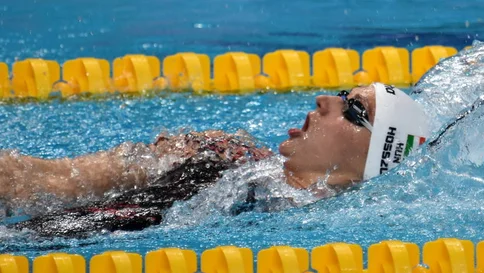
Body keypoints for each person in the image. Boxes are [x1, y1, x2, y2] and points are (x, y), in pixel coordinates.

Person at [0, 82, 429, 237]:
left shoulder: (308, 224)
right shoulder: (230, 155)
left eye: (352, 109)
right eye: (340, 95)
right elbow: (46, 180)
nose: (323, 100)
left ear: (371, 156)